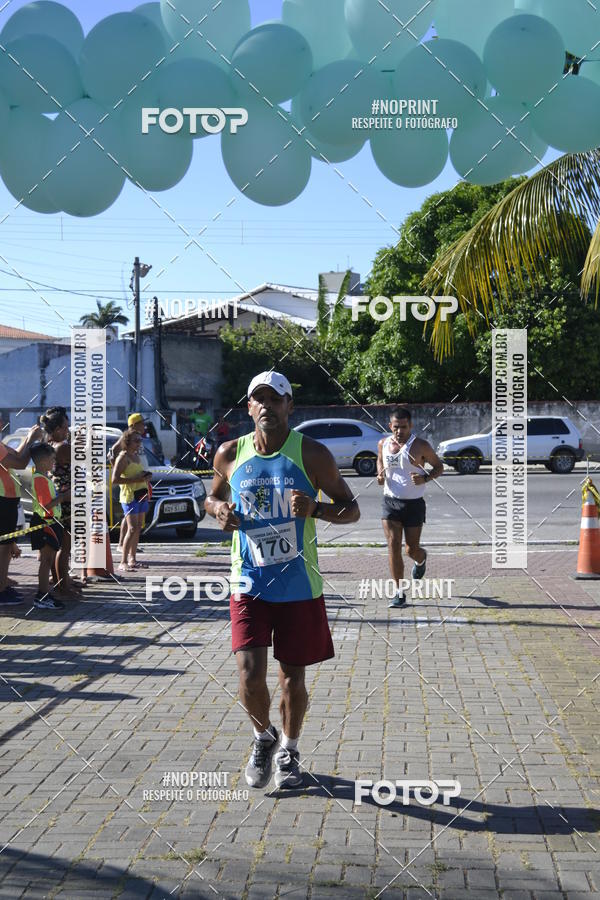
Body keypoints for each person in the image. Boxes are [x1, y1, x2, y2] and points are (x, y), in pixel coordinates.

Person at [206, 371, 360, 790]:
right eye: (260, 400)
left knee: (293, 678)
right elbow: (212, 496)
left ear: (290, 406)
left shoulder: (312, 454)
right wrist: (218, 510)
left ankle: (289, 750)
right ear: (249, 407)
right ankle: (263, 738)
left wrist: (316, 509)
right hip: (248, 582)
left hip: (298, 585)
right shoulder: (228, 453)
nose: (267, 406)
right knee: (249, 674)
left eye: (276, 399)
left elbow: (352, 509)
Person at [377, 406, 444, 608]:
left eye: (404, 427)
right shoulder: (383, 443)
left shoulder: (420, 446)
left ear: (410, 426)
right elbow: (380, 461)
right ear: (390, 426)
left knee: (410, 549)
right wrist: (380, 474)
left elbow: (439, 467)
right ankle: (399, 593)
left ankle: (421, 559)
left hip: (413, 504)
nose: (399, 431)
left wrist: (425, 477)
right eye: (396, 427)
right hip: (390, 502)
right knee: (393, 546)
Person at [0, 420, 44, 607]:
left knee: (6, 544)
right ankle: (0, 589)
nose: (2, 422)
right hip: (2, 498)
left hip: (8, 498)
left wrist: (28, 440)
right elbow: (19, 463)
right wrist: (30, 438)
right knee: (3, 546)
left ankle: (2, 583)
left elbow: (18, 455)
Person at [40, 406, 82, 599]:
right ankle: (62, 586)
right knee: (65, 548)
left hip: (62, 498)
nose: (68, 430)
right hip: (66, 501)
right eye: (66, 427)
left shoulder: (49, 445)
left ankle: (61, 582)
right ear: (57, 430)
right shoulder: (62, 447)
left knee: (62, 547)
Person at [29, 442, 67, 611]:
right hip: (45, 523)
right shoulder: (40, 479)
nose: (54, 463)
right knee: (46, 560)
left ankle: (44, 593)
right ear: (43, 461)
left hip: (50, 523)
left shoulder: (43, 477)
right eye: (52, 459)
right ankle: (42, 596)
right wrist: (64, 497)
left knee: (49, 559)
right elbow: (46, 506)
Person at [112, 429, 151, 572]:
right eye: (136, 440)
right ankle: (122, 561)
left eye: (140, 440)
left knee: (139, 527)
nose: (139, 443)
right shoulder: (123, 457)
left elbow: (136, 473)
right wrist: (137, 479)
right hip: (129, 496)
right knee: (132, 527)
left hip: (141, 493)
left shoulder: (135, 456)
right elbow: (115, 480)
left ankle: (132, 559)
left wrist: (145, 476)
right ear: (127, 442)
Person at [109, 414, 148, 554]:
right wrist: (120, 471)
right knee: (130, 518)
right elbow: (112, 452)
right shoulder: (127, 439)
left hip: (139, 481)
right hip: (130, 483)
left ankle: (130, 547)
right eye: (141, 423)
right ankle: (122, 545)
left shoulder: (137, 438)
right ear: (133, 425)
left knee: (135, 521)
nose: (144, 425)